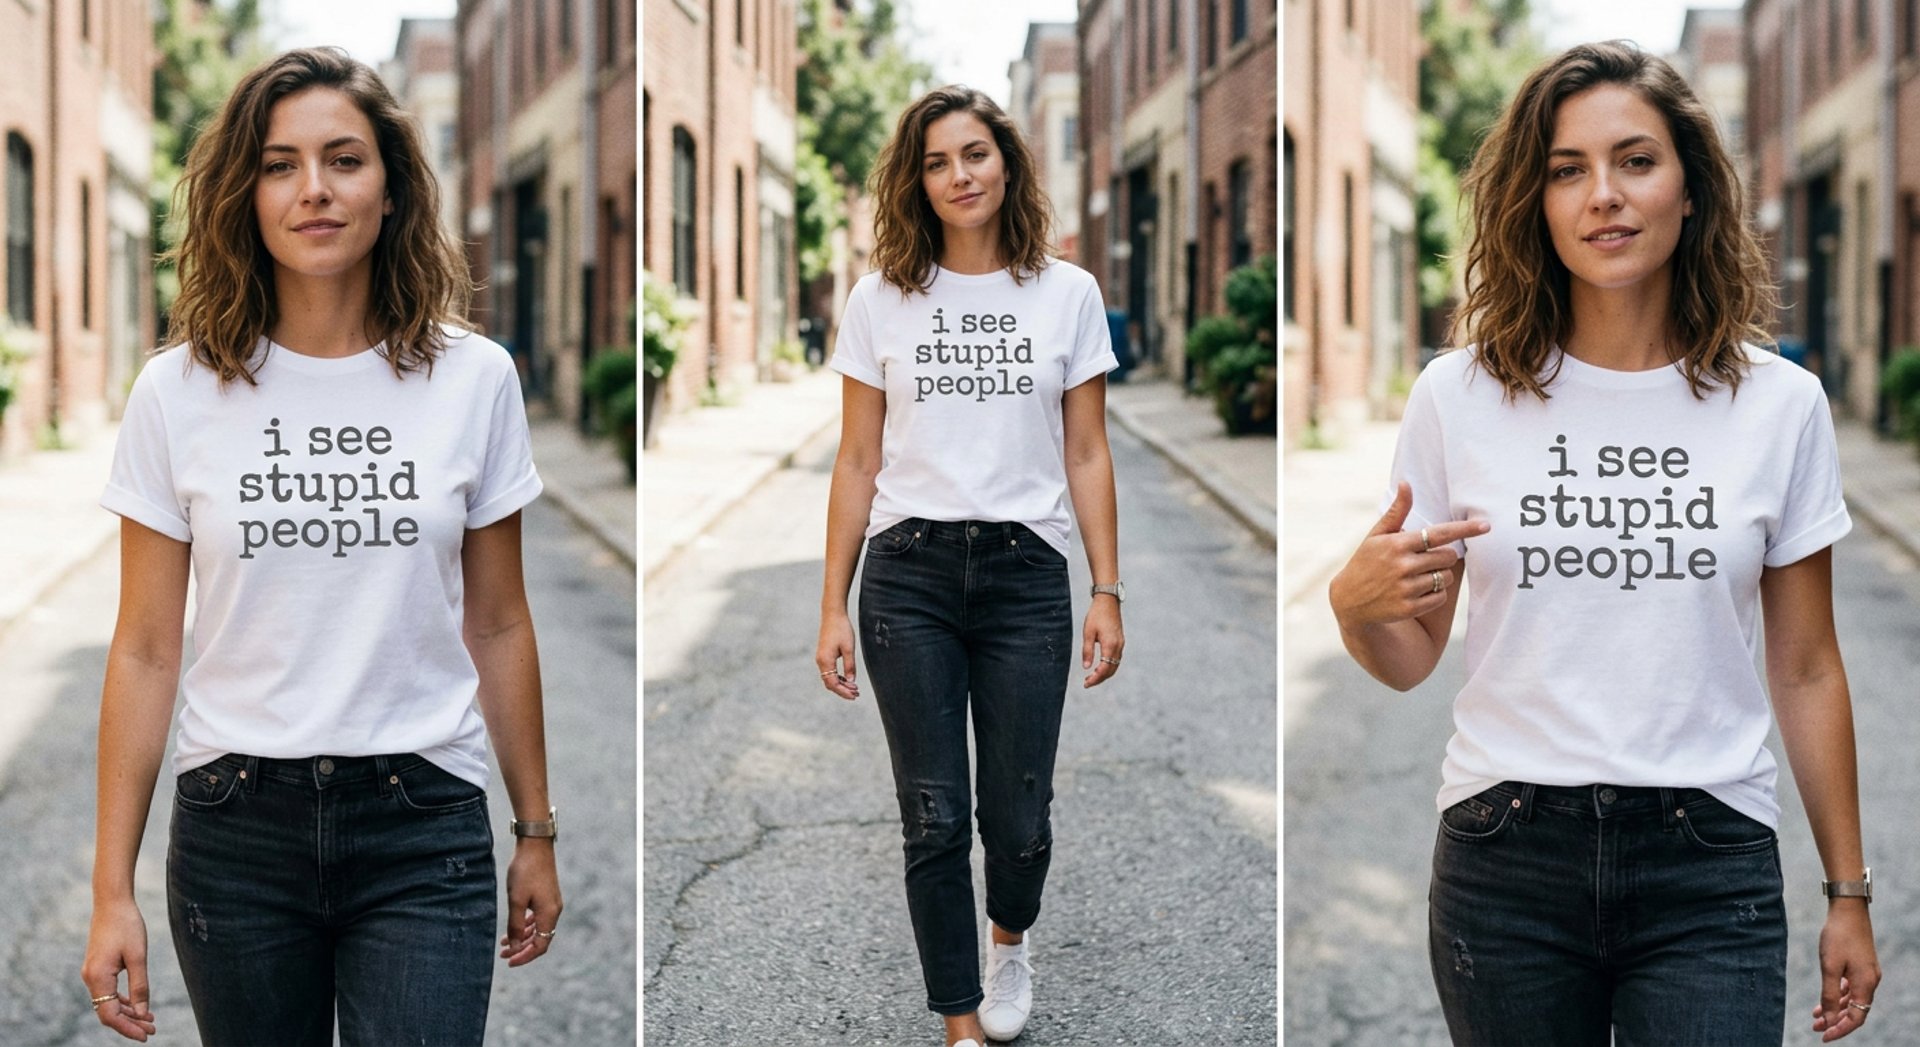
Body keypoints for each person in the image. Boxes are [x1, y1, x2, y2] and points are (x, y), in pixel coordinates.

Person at [1330, 41, 1881, 1045]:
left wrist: (1850, 890)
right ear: (1533, 203)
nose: (1604, 196)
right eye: (1566, 170)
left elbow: (1804, 668)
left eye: (1636, 160)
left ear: (1691, 189)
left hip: (1708, 866)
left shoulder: (1781, 406)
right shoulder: (1460, 396)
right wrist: (1353, 609)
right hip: (1506, 861)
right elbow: (1409, 657)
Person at [79, 48, 561, 1046]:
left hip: (424, 822)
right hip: (235, 829)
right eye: (279, 164)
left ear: (390, 188)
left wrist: (535, 831)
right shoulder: (177, 392)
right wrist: (108, 890)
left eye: (344, 159)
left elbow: (501, 619)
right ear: (244, 195)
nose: (314, 190)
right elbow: (143, 647)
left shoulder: (473, 380)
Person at [814, 85, 1123, 1047]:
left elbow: (1086, 452)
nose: (960, 175)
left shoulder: (1066, 293)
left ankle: (1009, 938)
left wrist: (1106, 587)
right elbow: (858, 459)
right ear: (916, 181)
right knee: (934, 813)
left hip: (1028, 573)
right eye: (938, 161)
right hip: (908, 572)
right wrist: (832, 602)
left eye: (976, 153)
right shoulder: (880, 299)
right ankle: (959, 1021)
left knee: (1018, 813)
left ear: (1009, 162)